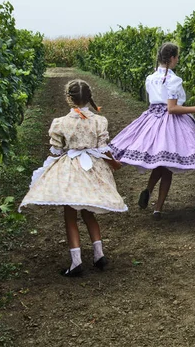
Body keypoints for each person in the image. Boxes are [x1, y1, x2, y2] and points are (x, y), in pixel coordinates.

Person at [19, 79, 127, 277]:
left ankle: (76, 261)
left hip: (71, 170)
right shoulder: (98, 121)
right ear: (89, 97)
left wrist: (48, 169)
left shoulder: (60, 123)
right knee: (88, 212)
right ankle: (98, 255)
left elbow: (57, 150)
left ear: (69, 98)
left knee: (70, 214)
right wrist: (114, 164)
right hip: (93, 169)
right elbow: (103, 149)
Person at [109, 42, 195, 219]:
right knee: (168, 165)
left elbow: (154, 102)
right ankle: (158, 208)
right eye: (177, 57)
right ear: (171, 58)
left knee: (161, 162)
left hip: (152, 119)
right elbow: (172, 108)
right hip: (170, 123)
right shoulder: (174, 80)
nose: (177, 60)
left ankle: (148, 190)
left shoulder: (150, 78)